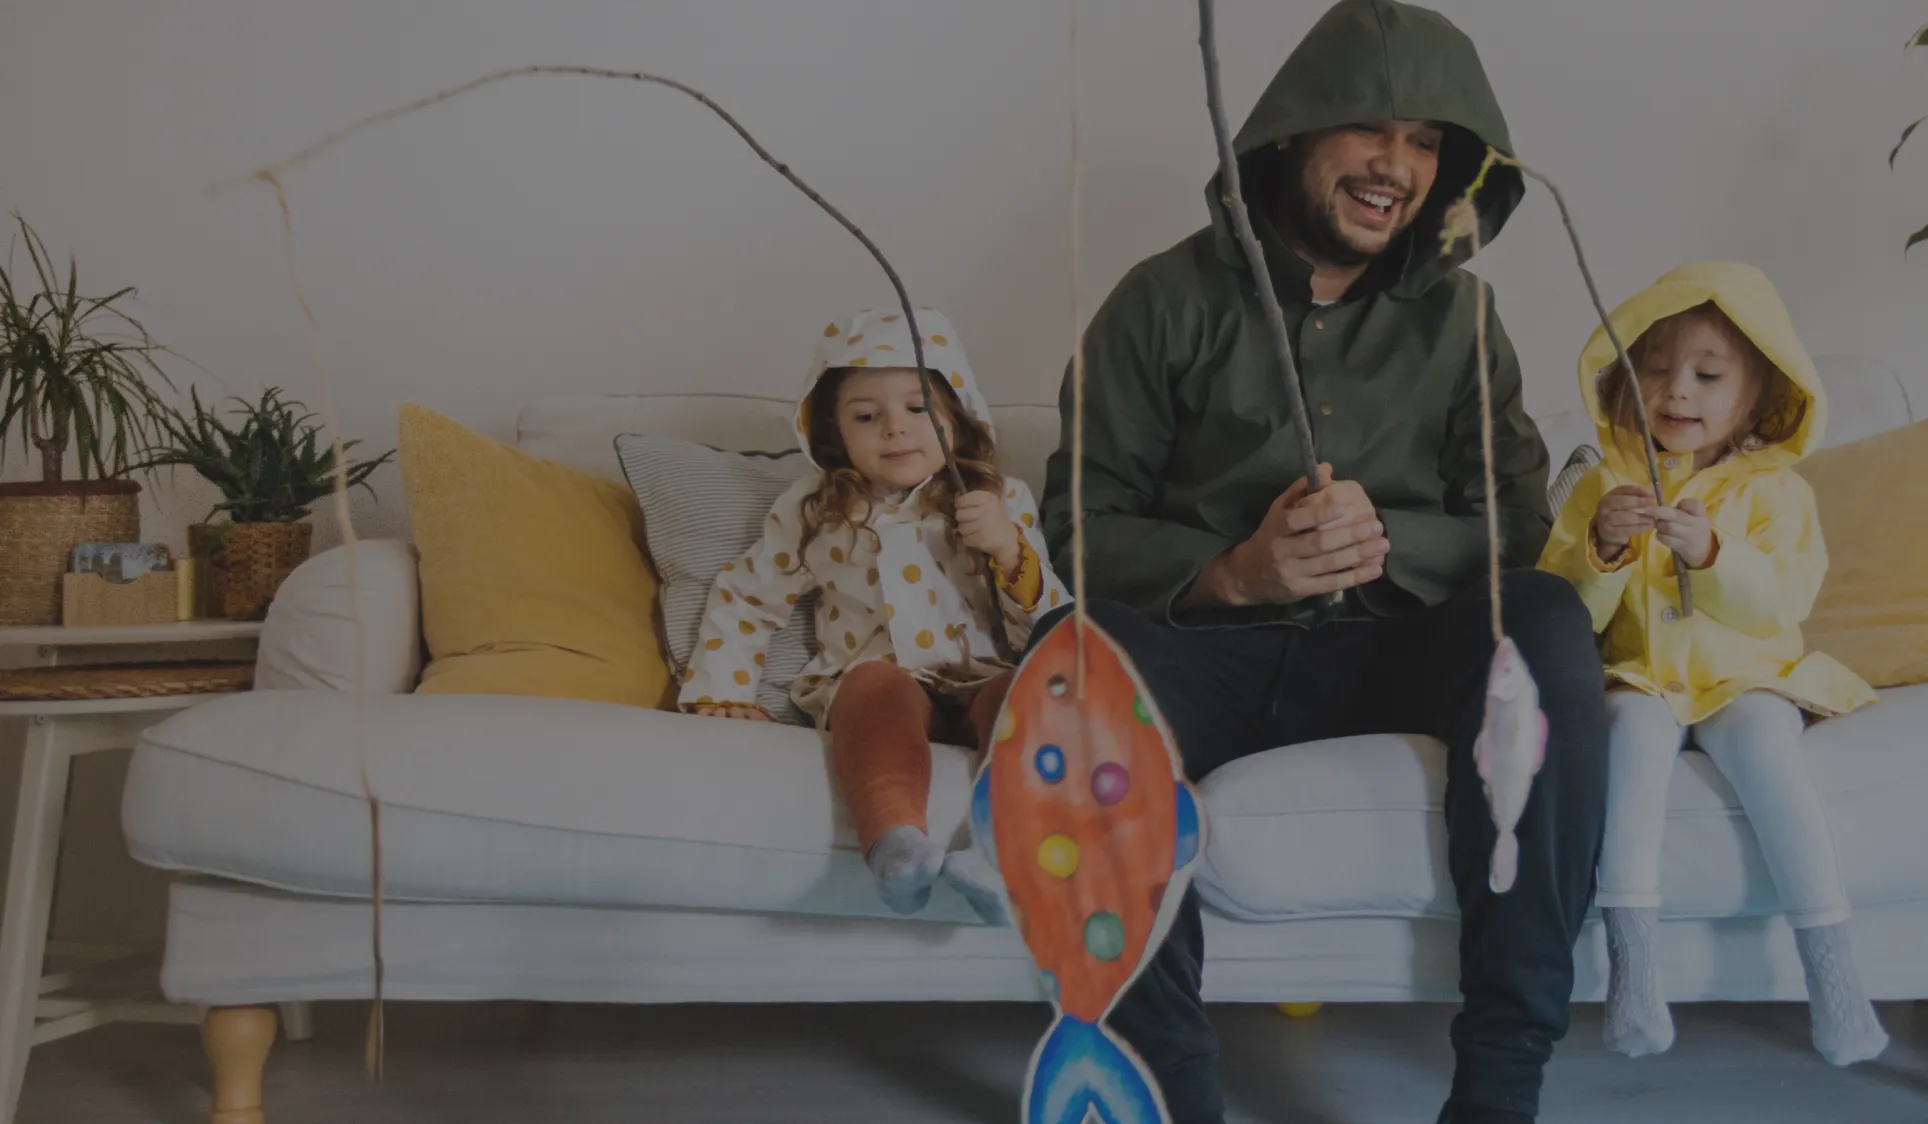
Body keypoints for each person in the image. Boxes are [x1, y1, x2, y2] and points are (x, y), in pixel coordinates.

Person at [1036, 3, 1610, 1122]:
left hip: (1394, 648)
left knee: (1540, 616)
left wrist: (1383, 545)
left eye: (1425, 144)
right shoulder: (1158, 301)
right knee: (1070, 666)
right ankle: (1168, 1094)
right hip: (1213, 655)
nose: (1394, 166)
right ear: (1297, 130)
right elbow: (1077, 523)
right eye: (1368, 128)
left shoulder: (1463, 319)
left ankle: (1498, 1090)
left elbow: (1514, 517)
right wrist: (1235, 570)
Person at [1538, 262, 1886, 1065]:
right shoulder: (1604, 482)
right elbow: (1565, 614)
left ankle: (1834, 978)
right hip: (1641, 680)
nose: (1676, 392)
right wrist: (1606, 546)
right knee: (1627, 742)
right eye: (1654, 369)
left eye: (1705, 374)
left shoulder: (1778, 493)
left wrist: (1716, 552)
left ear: (1758, 395)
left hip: (1745, 678)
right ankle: (1634, 971)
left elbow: (1781, 604)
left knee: (1769, 754)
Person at [680, 307, 1066, 922]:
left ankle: (1003, 855)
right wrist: (722, 690)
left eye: (918, 409)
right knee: (871, 687)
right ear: (833, 432)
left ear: (957, 418)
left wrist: (1006, 549)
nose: (895, 429)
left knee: (1026, 698)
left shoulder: (998, 498)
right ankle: (896, 843)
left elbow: (1051, 624)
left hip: (983, 675)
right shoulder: (817, 507)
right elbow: (750, 596)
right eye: (867, 416)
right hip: (881, 678)